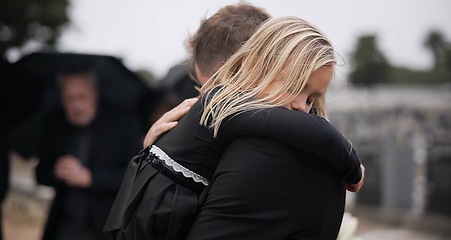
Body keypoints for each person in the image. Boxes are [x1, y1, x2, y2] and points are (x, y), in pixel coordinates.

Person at [105, 14, 363, 240]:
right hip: (153, 214)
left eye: (310, 99)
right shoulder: (222, 101)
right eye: (294, 86)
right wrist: (351, 165)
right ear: (259, 66)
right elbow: (313, 132)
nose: (302, 107)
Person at [35, 68, 143, 240]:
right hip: (63, 226)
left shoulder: (122, 123)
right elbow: (40, 173)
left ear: (95, 94)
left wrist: (90, 178)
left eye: (81, 97)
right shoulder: (56, 124)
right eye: (69, 99)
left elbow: (136, 175)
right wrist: (55, 171)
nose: (76, 105)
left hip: (105, 227)